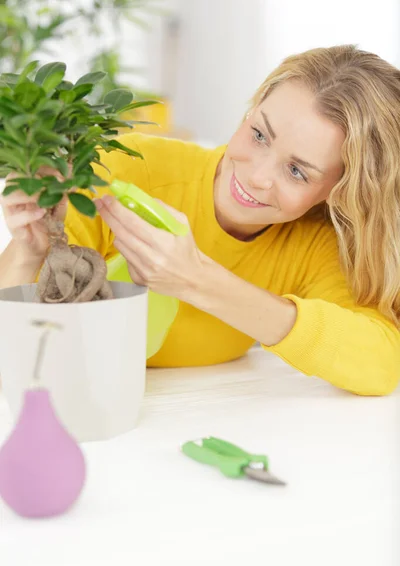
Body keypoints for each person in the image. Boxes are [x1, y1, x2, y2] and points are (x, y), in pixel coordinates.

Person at [1, 44, 400, 396]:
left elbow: (380, 363)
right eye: (259, 134)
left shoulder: (315, 244)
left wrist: (199, 281)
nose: (256, 176)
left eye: (297, 171)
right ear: (250, 112)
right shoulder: (125, 170)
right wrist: (26, 253)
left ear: (338, 189)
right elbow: (15, 349)